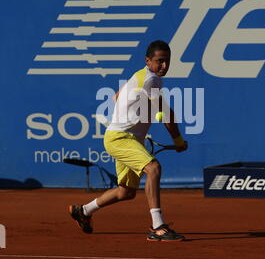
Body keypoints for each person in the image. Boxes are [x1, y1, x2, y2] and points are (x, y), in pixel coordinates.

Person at [69, 41, 188, 242]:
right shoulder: (151, 80)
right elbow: (167, 114)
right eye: (160, 61)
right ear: (148, 61)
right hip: (121, 138)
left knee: (126, 192)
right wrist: (178, 141)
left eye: (167, 61)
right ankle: (158, 227)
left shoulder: (138, 77)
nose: (164, 66)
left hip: (126, 138)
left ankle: (84, 211)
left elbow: (116, 98)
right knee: (153, 169)